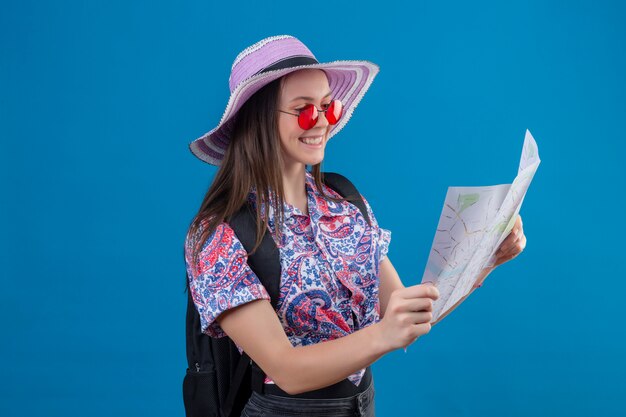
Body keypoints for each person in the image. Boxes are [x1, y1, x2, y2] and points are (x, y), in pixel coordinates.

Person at [184, 35, 527, 417]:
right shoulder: (218, 235)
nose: (322, 122)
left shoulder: (344, 200)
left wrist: (486, 259)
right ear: (259, 119)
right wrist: (383, 334)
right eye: (303, 110)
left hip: (361, 406)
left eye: (328, 108)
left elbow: (403, 315)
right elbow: (286, 370)